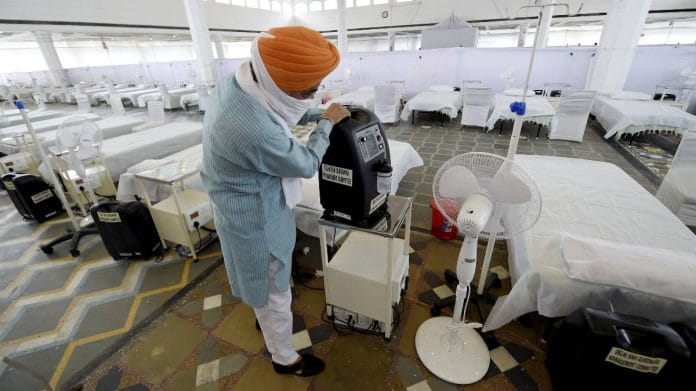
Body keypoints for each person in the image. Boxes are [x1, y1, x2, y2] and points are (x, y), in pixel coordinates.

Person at [200, 26, 350, 377]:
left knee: (263, 282)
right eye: (308, 91)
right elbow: (305, 163)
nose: (313, 95)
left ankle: (265, 317)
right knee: (273, 288)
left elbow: (279, 111)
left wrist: (316, 113)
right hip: (255, 218)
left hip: (240, 201)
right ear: (277, 82)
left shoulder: (240, 82)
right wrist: (325, 125)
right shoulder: (251, 128)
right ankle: (285, 358)